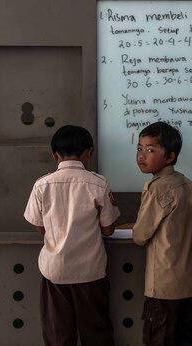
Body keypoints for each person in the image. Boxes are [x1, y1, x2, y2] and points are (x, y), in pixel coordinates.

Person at [24, 125, 120, 346]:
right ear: (90, 152)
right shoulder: (99, 183)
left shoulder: (42, 185)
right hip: (90, 273)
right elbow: (108, 229)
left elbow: (39, 227)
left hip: (55, 272)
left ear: (54, 154)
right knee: (96, 332)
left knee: (58, 333)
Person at [133, 121, 192, 346]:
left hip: (165, 286)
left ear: (170, 157)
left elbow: (140, 236)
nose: (141, 155)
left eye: (150, 150)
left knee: (160, 338)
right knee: (186, 337)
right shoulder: (188, 184)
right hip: (191, 284)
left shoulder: (157, 188)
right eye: (139, 148)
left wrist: (136, 226)